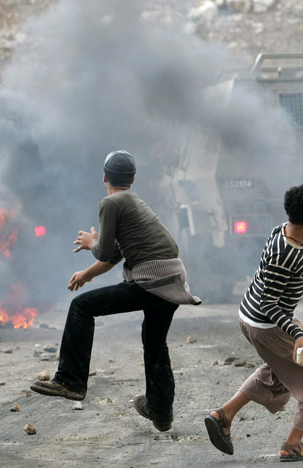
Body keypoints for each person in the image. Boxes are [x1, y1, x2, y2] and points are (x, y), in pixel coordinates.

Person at [31, 150, 201, 432]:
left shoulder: (111, 202)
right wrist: (86, 274)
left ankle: (70, 381)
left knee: (82, 307)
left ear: (104, 177)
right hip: (172, 277)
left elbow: (105, 250)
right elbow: (116, 256)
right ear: (132, 178)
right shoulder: (133, 201)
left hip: (152, 280)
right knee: (155, 342)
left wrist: (91, 241)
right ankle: (160, 412)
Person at [204, 184, 303, 462]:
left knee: (280, 370)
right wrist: (297, 334)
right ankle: (293, 444)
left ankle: (224, 415)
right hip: (267, 325)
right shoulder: (286, 254)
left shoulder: (285, 230)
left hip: (253, 317)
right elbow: (269, 303)